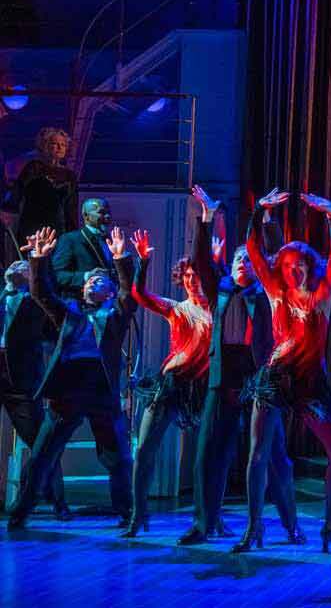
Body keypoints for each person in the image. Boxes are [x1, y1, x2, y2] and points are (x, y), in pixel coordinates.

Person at [179, 186, 301, 545]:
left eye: (247, 261)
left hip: (258, 378)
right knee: (208, 454)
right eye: (237, 262)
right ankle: (205, 523)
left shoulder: (266, 291)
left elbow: (276, 256)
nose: (242, 265)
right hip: (223, 378)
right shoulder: (221, 288)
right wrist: (206, 219)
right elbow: (202, 260)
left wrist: (265, 220)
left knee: (274, 456)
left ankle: (291, 524)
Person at [238, 188, 331, 554]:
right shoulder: (274, 291)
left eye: (301, 264)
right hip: (276, 379)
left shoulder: (322, 294)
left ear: (310, 266)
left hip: (312, 383)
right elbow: (254, 250)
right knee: (259, 451)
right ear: (280, 269)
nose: (296, 270)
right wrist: (258, 212)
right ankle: (255, 528)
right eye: (288, 265)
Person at [7, 226, 135, 530]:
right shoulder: (70, 313)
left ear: (109, 292)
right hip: (67, 392)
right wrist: (39, 259)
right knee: (42, 456)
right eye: (89, 279)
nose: (92, 282)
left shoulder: (114, 316)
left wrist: (121, 260)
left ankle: (127, 512)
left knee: (117, 456)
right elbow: (43, 294)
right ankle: (21, 512)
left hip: (101, 391)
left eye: (99, 280)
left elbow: (129, 295)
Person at [120, 228, 213, 537]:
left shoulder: (217, 311)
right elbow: (139, 295)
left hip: (202, 388)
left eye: (196, 274)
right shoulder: (176, 309)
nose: (191, 280)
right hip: (170, 384)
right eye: (186, 275)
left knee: (207, 456)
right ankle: (138, 514)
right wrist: (143, 261)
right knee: (145, 448)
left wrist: (214, 260)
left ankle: (211, 518)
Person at [0, 258, 70, 519]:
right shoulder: (2, 294)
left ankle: (58, 501)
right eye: (14, 265)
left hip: (22, 379)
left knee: (41, 442)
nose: (16, 268)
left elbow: (55, 333)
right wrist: (7, 288)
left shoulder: (39, 302)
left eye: (23, 267)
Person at [13, 127, 77, 248]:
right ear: (45, 146)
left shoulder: (69, 175)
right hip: (32, 226)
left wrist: (73, 234)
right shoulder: (33, 168)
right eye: (54, 143)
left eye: (63, 145)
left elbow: (71, 207)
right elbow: (17, 193)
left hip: (58, 228)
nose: (59, 147)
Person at [51, 197, 118, 300]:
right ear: (86, 216)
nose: (107, 216)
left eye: (108, 212)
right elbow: (56, 275)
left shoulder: (111, 240)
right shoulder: (70, 239)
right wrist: (86, 276)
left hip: (106, 305)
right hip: (79, 307)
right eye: (101, 212)